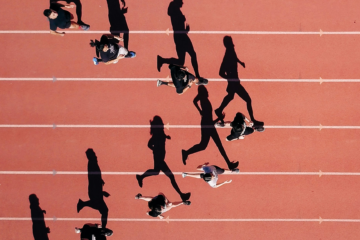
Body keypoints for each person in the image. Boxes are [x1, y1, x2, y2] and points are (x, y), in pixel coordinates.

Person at [181, 86, 239, 170]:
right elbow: (209, 122)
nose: (208, 92)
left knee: (209, 145)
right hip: (207, 125)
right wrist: (219, 118)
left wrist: (200, 111)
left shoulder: (202, 99)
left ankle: (229, 164)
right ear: (204, 92)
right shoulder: (204, 101)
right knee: (206, 145)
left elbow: (194, 101)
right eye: (206, 90)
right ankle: (186, 152)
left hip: (207, 125)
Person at [136, 116, 191, 201]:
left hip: (159, 157)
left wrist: (166, 137)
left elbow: (159, 138)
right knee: (171, 177)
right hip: (159, 159)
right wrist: (155, 149)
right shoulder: (156, 136)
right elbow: (149, 144)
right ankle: (181, 195)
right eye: (161, 123)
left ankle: (141, 177)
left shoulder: (160, 133)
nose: (162, 124)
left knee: (156, 172)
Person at [214, 36, 264, 128]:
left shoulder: (231, 51)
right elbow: (220, 72)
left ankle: (219, 110)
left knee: (230, 96)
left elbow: (234, 57)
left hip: (234, 82)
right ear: (228, 44)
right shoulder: (228, 54)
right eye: (231, 42)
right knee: (248, 99)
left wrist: (240, 62)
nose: (233, 43)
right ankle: (253, 120)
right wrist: (230, 78)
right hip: (234, 83)